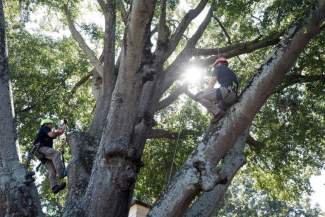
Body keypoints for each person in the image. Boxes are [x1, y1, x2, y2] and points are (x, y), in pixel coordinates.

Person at [33, 118, 67, 194]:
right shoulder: (45, 128)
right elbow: (52, 134)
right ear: (47, 123)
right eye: (51, 124)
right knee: (56, 154)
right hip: (41, 149)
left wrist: (64, 124)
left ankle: (54, 187)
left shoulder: (46, 131)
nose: (51, 126)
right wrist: (58, 131)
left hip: (39, 153)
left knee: (52, 170)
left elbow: (59, 132)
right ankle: (61, 173)